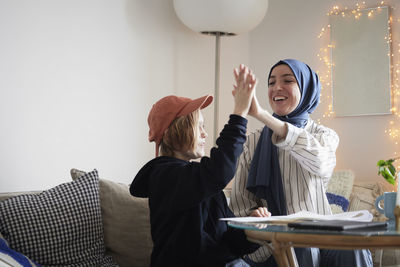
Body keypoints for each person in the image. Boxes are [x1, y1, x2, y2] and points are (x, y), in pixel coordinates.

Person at [229, 59, 372, 267]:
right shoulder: (253, 141)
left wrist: (261, 115)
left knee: (353, 247)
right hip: (272, 244)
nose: (277, 87)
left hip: (323, 238)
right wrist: (253, 213)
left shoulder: (324, 135)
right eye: (271, 82)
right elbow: (240, 204)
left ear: (306, 90)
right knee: (298, 244)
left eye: (287, 80)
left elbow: (320, 163)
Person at [130, 65, 262, 267]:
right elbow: (219, 172)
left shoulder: (198, 181)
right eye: (198, 126)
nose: (205, 134)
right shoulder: (164, 176)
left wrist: (252, 229)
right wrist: (239, 114)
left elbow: (227, 244)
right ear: (171, 132)